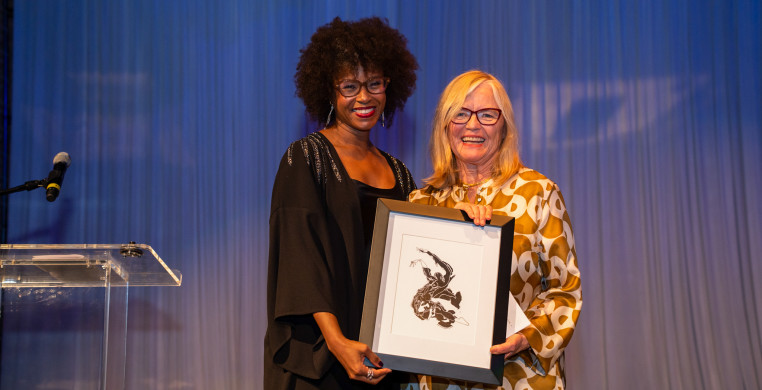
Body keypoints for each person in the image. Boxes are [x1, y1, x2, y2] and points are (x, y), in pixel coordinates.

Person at [264, 17, 418, 389]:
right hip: (323, 359)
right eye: (350, 86)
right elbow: (301, 261)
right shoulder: (306, 157)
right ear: (329, 92)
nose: (364, 97)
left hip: (384, 362)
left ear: (389, 87)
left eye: (375, 84)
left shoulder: (401, 173)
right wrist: (337, 342)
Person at [404, 70, 582, 389]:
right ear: (445, 124)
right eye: (461, 113)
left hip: (520, 378)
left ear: (504, 126)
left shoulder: (537, 193)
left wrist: (526, 337)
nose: (473, 125)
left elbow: (565, 291)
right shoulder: (421, 204)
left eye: (487, 114)